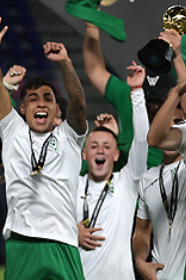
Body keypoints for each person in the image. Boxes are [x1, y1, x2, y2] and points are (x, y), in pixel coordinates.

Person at [0, 13, 88, 279]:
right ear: (23, 107)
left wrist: (65, 63)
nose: (41, 103)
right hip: (22, 242)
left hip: (63, 242)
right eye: (34, 98)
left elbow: (79, 104)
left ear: (55, 107)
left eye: (48, 99)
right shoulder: (13, 130)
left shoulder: (69, 137)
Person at [76, 64, 150, 279]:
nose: (101, 150)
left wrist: (136, 92)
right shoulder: (72, 186)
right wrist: (73, 232)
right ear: (84, 154)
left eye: (107, 147)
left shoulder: (127, 183)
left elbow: (142, 140)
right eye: (94, 146)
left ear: (116, 155)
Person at [83, 20, 164, 169]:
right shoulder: (130, 95)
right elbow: (95, 71)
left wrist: (116, 138)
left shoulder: (179, 102)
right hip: (125, 185)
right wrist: (92, 26)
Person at [138, 79, 186, 280]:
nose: (170, 128)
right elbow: (141, 233)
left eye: (178, 124)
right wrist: (141, 262)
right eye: (166, 123)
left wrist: (177, 91)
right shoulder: (147, 178)